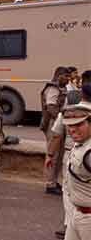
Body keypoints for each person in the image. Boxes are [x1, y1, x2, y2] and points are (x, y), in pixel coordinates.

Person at [54, 103, 91, 240]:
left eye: (79, 124)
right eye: (69, 125)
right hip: (77, 215)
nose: (73, 129)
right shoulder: (80, 144)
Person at [49, 84, 91, 240]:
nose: (74, 129)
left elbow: (56, 135)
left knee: (69, 191)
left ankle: (69, 224)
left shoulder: (69, 111)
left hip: (72, 154)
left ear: (82, 94)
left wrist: (49, 154)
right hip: (79, 154)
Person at [43, 66, 71, 195]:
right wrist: (61, 120)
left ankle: (54, 181)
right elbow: (51, 108)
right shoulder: (52, 89)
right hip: (54, 124)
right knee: (52, 154)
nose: (68, 79)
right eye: (66, 76)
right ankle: (50, 183)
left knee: (59, 155)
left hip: (60, 122)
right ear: (59, 75)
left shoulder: (62, 88)